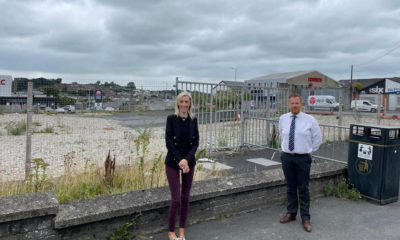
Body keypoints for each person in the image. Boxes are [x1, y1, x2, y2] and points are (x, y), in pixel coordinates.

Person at [278, 94, 322, 232]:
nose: (294, 105)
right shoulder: (283, 119)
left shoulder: (310, 120)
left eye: (297, 103)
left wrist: (307, 150)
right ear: (289, 104)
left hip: (303, 158)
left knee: (303, 188)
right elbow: (282, 134)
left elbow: (317, 139)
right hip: (287, 157)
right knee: (290, 187)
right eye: (292, 103)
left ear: (301, 104)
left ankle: (305, 218)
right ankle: (291, 213)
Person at [165, 91, 199, 240]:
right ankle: (171, 232)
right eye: (182, 101)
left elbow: (196, 142)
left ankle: (182, 230)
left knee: (185, 197)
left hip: (189, 163)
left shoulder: (193, 120)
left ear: (190, 103)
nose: (184, 104)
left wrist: (187, 160)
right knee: (176, 199)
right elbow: (169, 142)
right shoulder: (171, 119)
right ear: (178, 103)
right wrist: (180, 160)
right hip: (173, 163)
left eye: (187, 102)